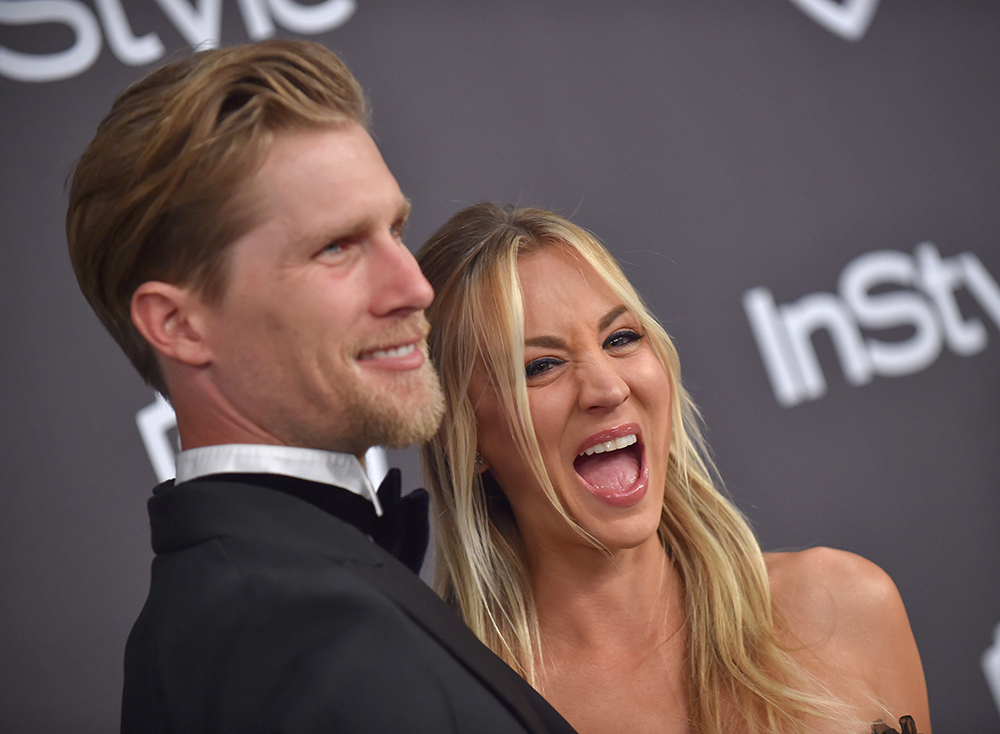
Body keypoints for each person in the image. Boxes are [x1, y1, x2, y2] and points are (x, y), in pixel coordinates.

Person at [66, 42, 576, 734]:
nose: (414, 286)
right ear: (179, 325)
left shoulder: (257, 603)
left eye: (394, 228)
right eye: (336, 247)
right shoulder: (288, 645)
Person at [417, 203, 932, 734]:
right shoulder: (466, 712)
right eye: (541, 366)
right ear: (464, 433)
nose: (609, 388)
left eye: (620, 338)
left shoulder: (844, 605)